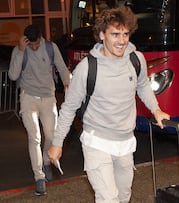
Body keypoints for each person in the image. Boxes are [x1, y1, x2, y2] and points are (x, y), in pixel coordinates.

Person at [48, 6, 170, 203]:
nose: (121, 40)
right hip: (97, 141)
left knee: (123, 197)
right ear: (102, 35)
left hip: (125, 142)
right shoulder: (87, 68)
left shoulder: (136, 59)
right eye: (115, 34)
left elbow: (143, 86)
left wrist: (156, 110)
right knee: (108, 198)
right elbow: (69, 107)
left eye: (125, 34)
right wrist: (57, 142)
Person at [8, 24, 71, 195]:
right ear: (26, 41)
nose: (34, 47)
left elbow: (62, 67)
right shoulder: (20, 49)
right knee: (34, 137)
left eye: (36, 44)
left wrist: (68, 84)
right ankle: (39, 177)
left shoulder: (50, 48)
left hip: (48, 98)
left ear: (41, 38)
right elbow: (13, 75)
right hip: (28, 98)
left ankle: (46, 161)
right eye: (31, 45)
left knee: (51, 135)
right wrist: (21, 51)